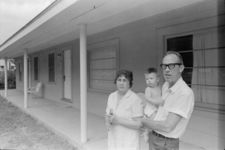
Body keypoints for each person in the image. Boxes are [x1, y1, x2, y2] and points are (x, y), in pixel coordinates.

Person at [138, 51, 195, 150]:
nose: (167, 70)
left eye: (171, 66)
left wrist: (140, 120)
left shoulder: (184, 93)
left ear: (181, 68)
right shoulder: (165, 85)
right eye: (164, 66)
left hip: (166, 143)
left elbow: (167, 127)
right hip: (154, 135)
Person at [105, 70, 143, 150]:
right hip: (114, 140)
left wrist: (118, 120)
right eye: (119, 80)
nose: (121, 83)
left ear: (130, 83)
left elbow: (138, 124)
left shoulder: (135, 99)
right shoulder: (111, 96)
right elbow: (108, 114)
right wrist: (107, 121)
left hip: (128, 142)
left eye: (124, 80)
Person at [138, 67, 164, 142]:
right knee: (154, 120)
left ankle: (151, 131)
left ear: (157, 79)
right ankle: (146, 132)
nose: (148, 81)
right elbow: (148, 99)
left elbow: (161, 97)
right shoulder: (148, 89)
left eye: (151, 78)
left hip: (158, 107)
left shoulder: (159, 88)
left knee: (159, 119)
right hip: (150, 109)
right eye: (147, 79)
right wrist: (158, 102)